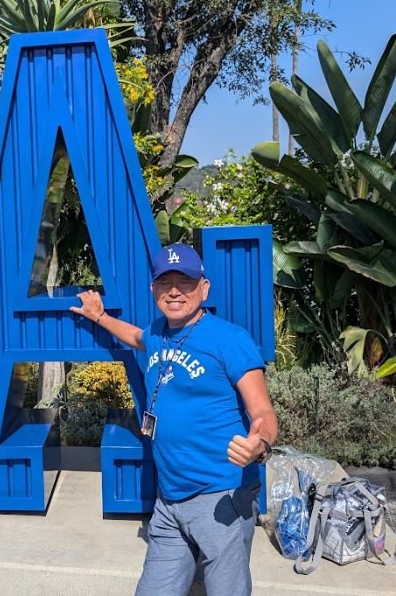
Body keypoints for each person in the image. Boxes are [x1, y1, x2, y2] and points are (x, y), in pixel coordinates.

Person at [70, 243, 279, 596]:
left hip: (221, 495)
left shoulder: (230, 339)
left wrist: (259, 443)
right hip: (168, 500)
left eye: (185, 281)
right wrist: (100, 317)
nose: (174, 291)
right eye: (165, 282)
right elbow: (135, 337)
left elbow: (263, 413)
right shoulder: (156, 334)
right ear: (153, 289)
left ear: (204, 287)